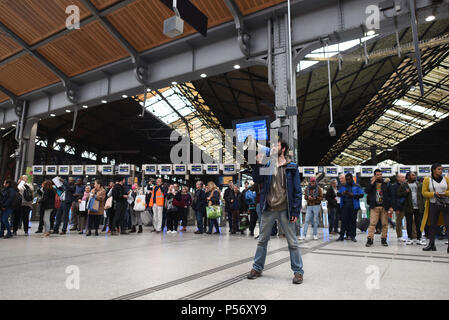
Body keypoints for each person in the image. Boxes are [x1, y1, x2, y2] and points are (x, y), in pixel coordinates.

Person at [247, 139, 304, 284]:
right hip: (269, 209)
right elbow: (257, 179)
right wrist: (258, 164)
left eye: (276, 145)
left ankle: (298, 272)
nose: (272, 147)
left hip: (286, 209)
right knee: (262, 241)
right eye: (271, 145)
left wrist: (295, 212)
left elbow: (297, 192)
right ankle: (257, 268)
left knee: (292, 243)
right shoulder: (268, 164)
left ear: (283, 149)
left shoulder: (291, 167)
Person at [421, 163, 449, 252]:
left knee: (448, 224)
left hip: (445, 204)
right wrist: (433, 194)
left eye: (441, 169)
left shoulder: (446, 179)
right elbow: (424, 193)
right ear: (433, 170)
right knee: (432, 225)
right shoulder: (427, 180)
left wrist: (445, 193)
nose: (441, 171)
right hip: (433, 204)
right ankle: (431, 244)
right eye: (439, 169)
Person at [365, 169, 393, 247]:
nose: (379, 176)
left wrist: (391, 207)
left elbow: (391, 195)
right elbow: (367, 191)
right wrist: (372, 182)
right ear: (374, 175)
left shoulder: (387, 183)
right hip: (374, 207)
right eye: (377, 174)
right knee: (372, 223)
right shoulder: (371, 183)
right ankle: (370, 239)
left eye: (380, 174)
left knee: (385, 224)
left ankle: (384, 239)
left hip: (384, 207)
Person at [398, 172, 425, 245]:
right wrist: (405, 192)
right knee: (409, 223)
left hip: (418, 206)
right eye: (412, 175)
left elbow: (423, 195)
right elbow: (399, 194)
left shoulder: (419, 184)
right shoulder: (404, 185)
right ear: (408, 177)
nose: (414, 176)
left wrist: (423, 204)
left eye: (415, 175)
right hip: (408, 207)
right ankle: (409, 238)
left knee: (418, 223)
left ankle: (419, 238)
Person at [337, 173, 364, 242]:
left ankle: (352, 236)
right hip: (344, 206)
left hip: (353, 207)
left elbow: (361, 194)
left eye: (349, 179)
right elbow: (338, 193)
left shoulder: (357, 186)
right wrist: (343, 193)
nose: (348, 181)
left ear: (352, 178)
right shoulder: (343, 186)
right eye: (347, 179)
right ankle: (341, 236)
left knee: (353, 222)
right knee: (343, 222)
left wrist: (353, 195)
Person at [300, 176, 323, 240]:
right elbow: (305, 197)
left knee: (315, 221)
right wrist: (308, 197)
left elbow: (321, 197)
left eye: (313, 182)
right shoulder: (307, 188)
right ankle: (304, 235)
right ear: (310, 182)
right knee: (306, 220)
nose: (312, 183)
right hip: (309, 206)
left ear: (315, 182)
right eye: (311, 182)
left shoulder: (318, 188)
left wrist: (315, 198)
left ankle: (315, 234)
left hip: (316, 205)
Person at [392, 174, 406, 241]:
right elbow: (394, 197)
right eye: (402, 177)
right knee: (399, 222)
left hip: (407, 206)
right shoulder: (394, 186)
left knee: (412, 221)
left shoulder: (406, 185)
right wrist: (396, 208)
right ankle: (399, 236)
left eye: (404, 177)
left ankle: (413, 236)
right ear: (398, 178)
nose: (404, 178)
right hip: (399, 206)